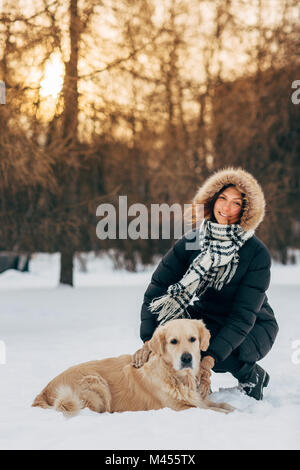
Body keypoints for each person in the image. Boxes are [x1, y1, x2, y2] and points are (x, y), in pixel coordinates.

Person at [132, 167, 279, 401]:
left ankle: (251, 375)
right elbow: (158, 289)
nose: (226, 208)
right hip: (208, 316)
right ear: (211, 200)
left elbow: (243, 316)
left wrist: (207, 361)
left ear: (246, 211)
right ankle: (187, 379)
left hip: (253, 326)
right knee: (170, 323)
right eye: (222, 198)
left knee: (212, 349)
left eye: (236, 203)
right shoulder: (194, 241)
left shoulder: (256, 253)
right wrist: (148, 340)